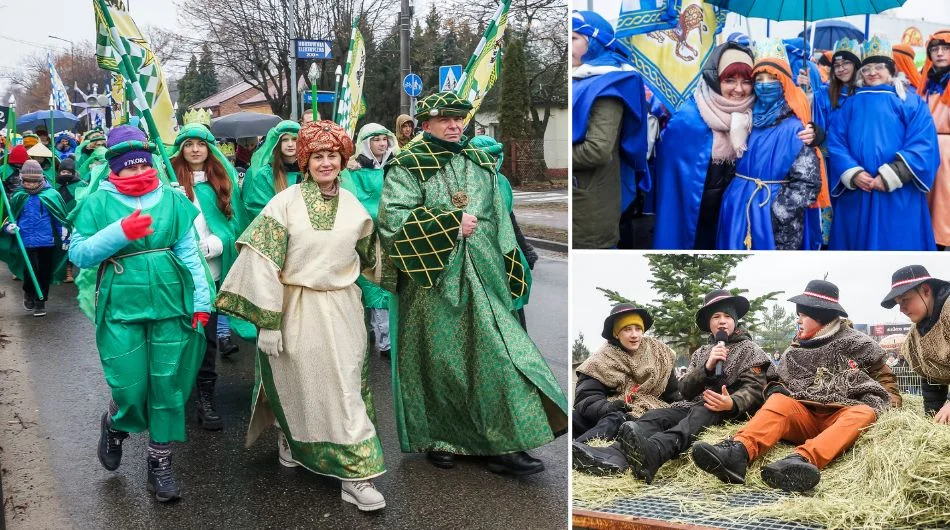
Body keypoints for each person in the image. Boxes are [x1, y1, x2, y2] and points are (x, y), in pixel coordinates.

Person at [378, 92, 568, 475]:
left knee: (500, 357)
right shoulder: (407, 166)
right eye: (445, 119)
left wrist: (513, 273)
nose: (453, 126)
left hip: (485, 278)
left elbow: (501, 222)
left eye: (459, 119)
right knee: (440, 363)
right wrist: (449, 224)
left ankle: (504, 444)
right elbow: (392, 222)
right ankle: (440, 438)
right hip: (431, 285)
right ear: (426, 124)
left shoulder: (481, 163)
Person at [215, 120, 387, 511]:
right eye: (318, 156)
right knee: (300, 383)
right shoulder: (285, 203)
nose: (326, 163)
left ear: (343, 160)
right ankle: (289, 437)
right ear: (306, 161)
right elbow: (259, 261)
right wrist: (268, 321)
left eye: (333, 156)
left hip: (343, 306)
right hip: (295, 306)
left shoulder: (353, 204)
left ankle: (356, 475)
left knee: (344, 388)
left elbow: (374, 257)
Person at [67, 125, 211, 502]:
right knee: (132, 388)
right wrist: (120, 231)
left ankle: (159, 465)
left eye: (141, 165)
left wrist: (201, 302)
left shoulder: (173, 200)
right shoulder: (97, 203)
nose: (136, 172)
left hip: (171, 304)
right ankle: (115, 424)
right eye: (127, 167)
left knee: (167, 386)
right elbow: (79, 254)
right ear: (114, 167)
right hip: (120, 306)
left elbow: (189, 253)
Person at [692, 280, 901, 492]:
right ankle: (738, 452)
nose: (798, 320)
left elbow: (884, 379)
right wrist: (778, 391)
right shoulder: (795, 350)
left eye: (803, 315)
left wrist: (891, 408)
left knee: (865, 412)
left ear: (820, 317)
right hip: (806, 416)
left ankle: (801, 461)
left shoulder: (857, 343)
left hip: (842, 416)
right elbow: (778, 381)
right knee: (779, 401)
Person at [573, 290, 770, 481]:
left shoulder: (750, 350)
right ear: (709, 323)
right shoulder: (703, 352)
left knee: (704, 409)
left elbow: (756, 389)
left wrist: (732, 403)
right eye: (716, 316)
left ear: (735, 320)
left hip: (728, 410)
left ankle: (657, 451)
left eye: (727, 316)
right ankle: (614, 453)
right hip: (695, 405)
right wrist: (707, 368)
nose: (722, 321)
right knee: (655, 415)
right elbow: (685, 390)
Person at [170, 123, 250, 430]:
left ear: (209, 149)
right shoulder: (169, 182)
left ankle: (206, 397)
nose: (194, 149)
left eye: (200, 144)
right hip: (176, 277)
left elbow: (233, 229)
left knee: (206, 340)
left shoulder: (221, 182)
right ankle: (173, 396)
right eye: (188, 144)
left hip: (212, 277)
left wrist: (213, 246)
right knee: (176, 338)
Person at [827, 36, 940, 250]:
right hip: (859, 191)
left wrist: (893, 174)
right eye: (867, 68)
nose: (872, 73)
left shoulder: (910, 101)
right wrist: (853, 173)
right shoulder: (851, 103)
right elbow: (836, 141)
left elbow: (924, 143)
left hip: (898, 192)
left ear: (891, 71)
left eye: (879, 67)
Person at [717, 39, 826, 251]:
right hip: (736, 208)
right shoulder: (744, 121)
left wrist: (777, 212)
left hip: (770, 215)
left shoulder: (796, 129)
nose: (765, 84)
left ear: (783, 82)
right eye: (759, 79)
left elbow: (808, 183)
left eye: (772, 79)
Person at [653, 42, 756, 249]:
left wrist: (815, 133)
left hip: (736, 218)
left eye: (746, 81)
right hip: (698, 218)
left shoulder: (757, 114)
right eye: (729, 80)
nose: (739, 89)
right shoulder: (688, 118)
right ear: (714, 79)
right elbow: (672, 184)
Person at [571, 10, 650, 249]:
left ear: (594, 41)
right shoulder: (583, 79)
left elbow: (597, 150)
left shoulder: (608, 86)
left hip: (590, 205)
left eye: (573, 39)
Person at [572, 304, 678, 445]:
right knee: (575, 418)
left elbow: (672, 394)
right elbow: (586, 397)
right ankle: (580, 452)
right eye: (627, 329)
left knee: (618, 420)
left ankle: (584, 451)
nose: (634, 335)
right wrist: (609, 407)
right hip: (608, 413)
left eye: (638, 329)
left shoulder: (660, 354)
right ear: (616, 333)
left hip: (648, 415)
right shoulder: (600, 360)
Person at [340, 123, 399, 358]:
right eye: (376, 140)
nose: (382, 144)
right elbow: (355, 202)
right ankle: (384, 340)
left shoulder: (395, 166)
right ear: (366, 143)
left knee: (391, 286)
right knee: (373, 285)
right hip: (367, 235)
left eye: (385, 139)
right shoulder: (355, 171)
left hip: (392, 234)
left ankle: (389, 334)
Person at [468, 134, 538, 329]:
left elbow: (510, 218)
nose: (492, 161)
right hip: (480, 253)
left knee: (515, 296)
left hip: (507, 251)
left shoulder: (502, 181)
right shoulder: (467, 182)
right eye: (486, 156)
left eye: (495, 157)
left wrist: (525, 249)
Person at [0, 160, 70, 317]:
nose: (31, 185)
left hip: (47, 241)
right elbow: (11, 216)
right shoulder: (19, 195)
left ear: (41, 179)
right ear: (22, 179)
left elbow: (59, 217)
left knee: (44, 272)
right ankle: (28, 292)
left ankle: (41, 301)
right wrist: (9, 227)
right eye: (27, 182)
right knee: (30, 270)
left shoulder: (51, 194)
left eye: (35, 182)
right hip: (26, 240)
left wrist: (65, 235)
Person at [881, 265, 950, 423]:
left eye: (905, 300)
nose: (902, 309)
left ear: (926, 291)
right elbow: (931, 376)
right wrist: (933, 419)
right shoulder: (914, 338)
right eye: (899, 303)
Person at [920, 31, 950, 250]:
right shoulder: (926, 80)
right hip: (925, 149)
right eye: (935, 49)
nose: (940, 53)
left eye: (946, 48)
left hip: (947, 150)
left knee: (944, 207)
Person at [241, 120, 301, 217]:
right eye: (285, 140)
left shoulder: (310, 171)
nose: (290, 144)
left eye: (294, 139)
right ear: (277, 143)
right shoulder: (265, 174)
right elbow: (257, 208)